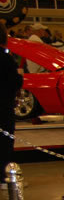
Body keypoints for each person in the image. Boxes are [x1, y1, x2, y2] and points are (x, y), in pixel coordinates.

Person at [1, 22, 23, 168]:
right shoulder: (6, 59)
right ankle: (3, 175)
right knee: (4, 142)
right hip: (3, 107)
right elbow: (15, 81)